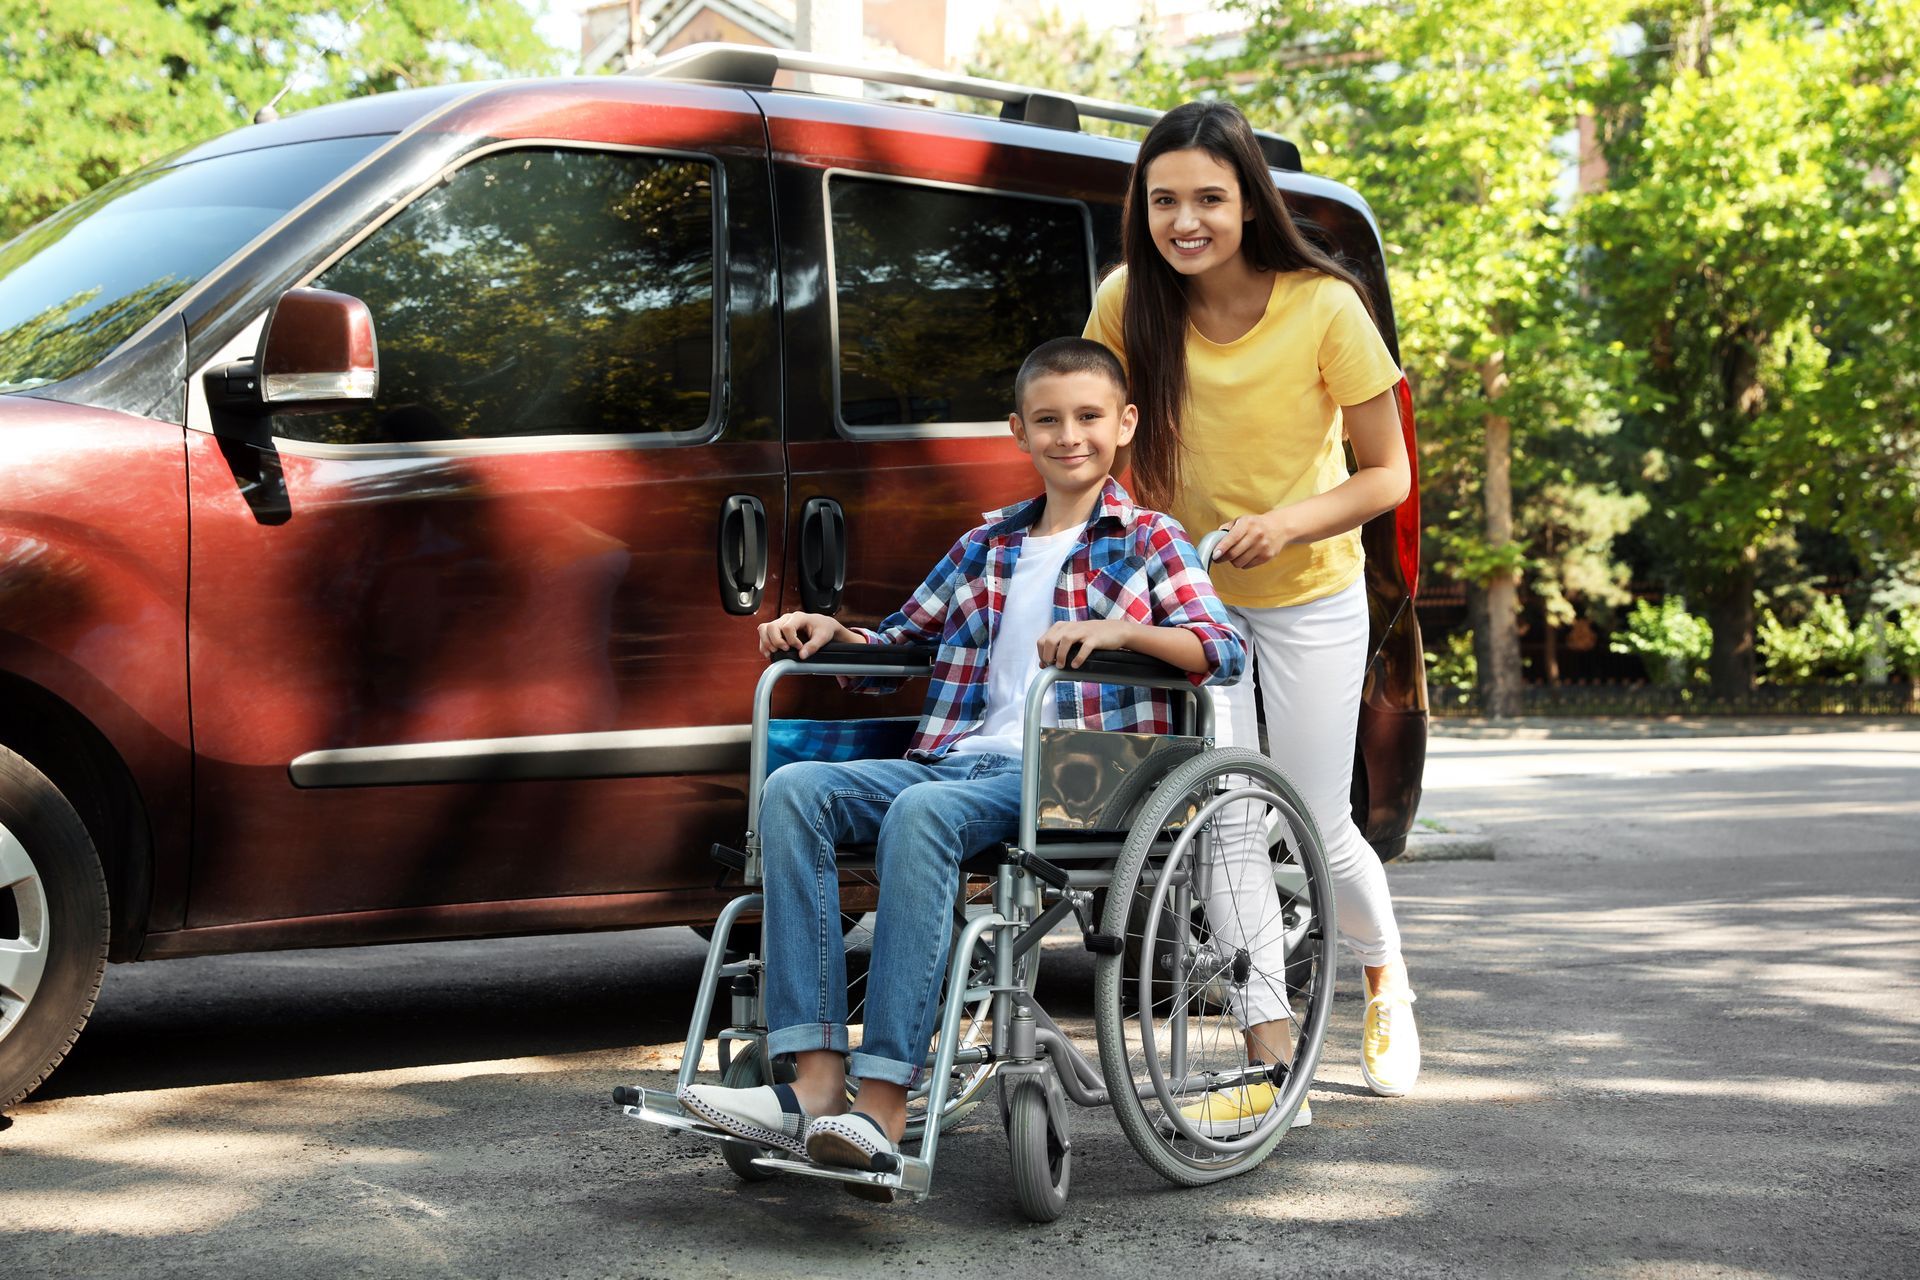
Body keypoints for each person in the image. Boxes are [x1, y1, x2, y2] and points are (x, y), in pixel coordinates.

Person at [677, 337, 1246, 1197]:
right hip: (957, 761)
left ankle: (884, 1103)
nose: (1070, 436)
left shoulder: (1153, 541)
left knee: (922, 818)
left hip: (1077, 773)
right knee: (793, 791)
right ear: (1019, 430)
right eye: (1048, 420)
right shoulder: (990, 544)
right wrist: (840, 636)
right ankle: (816, 1081)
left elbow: (1222, 649)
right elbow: (908, 634)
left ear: (1123, 425)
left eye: (1089, 418)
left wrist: (1124, 634)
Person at [1083, 100, 1421, 1133]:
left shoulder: (1324, 305)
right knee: (1227, 816)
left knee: (1315, 822)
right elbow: (1102, 442)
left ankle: (1383, 972)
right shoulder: (1126, 299)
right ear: (1142, 206)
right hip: (1197, 601)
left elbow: (1388, 473)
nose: (1186, 220)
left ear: (1248, 205)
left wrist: (1283, 524)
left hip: (1311, 590)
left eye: (1209, 200)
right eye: (1165, 199)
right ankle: (1275, 1064)